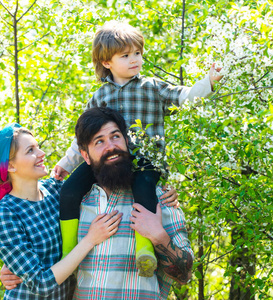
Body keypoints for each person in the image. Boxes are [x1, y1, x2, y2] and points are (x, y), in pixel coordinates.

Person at [54, 21, 222, 276]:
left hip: (146, 161)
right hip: (107, 163)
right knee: (68, 190)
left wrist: (208, 81)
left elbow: (186, 97)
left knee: (143, 191)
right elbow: (84, 138)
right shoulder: (100, 97)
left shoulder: (152, 87)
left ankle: (144, 251)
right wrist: (67, 163)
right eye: (125, 55)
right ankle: (68, 251)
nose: (135, 60)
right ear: (107, 62)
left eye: (137, 53)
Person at [3, 107, 193, 299]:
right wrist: (11, 268)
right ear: (85, 155)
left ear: (127, 142)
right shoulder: (72, 203)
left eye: (115, 136)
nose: (110, 146)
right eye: (99, 141)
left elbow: (185, 275)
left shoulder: (157, 200)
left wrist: (158, 235)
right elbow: (40, 248)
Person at [0, 123, 123, 299]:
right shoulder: (4, 215)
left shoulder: (56, 190)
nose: (41, 154)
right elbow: (41, 284)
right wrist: (90, 240)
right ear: (10, 166)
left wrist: (166, 192)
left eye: (38, 147)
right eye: (30, 150)